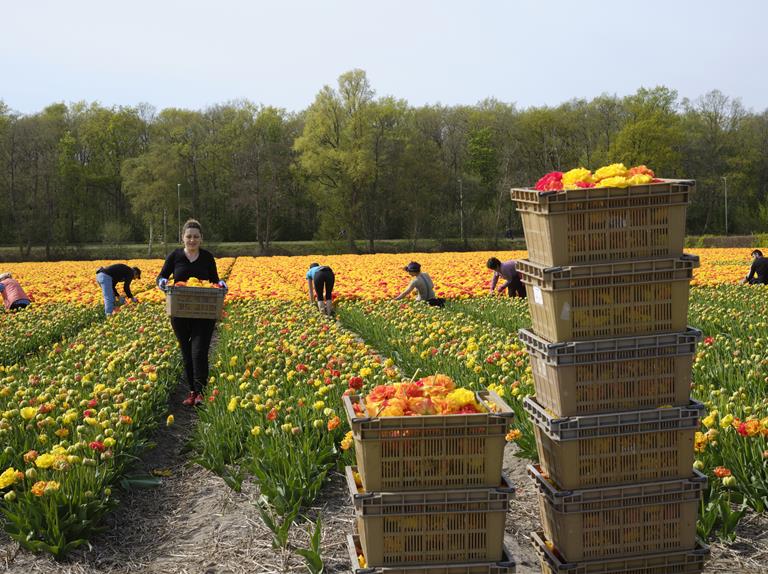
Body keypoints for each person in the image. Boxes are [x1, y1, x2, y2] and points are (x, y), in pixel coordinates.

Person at [157, 219, 227, 407]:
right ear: (183, 238)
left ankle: (201, 392)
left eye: (196, 237)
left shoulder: (207, 257)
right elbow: (161, 276)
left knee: (199, 351)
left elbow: (214, 280)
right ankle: (192, 391)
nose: (192, 240)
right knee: (186, 352)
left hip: (203, 311)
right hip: (180, 311)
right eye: (189, 236)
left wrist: (221, 285)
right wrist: (162, 283)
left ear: (201, 239)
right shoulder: (175, 256)